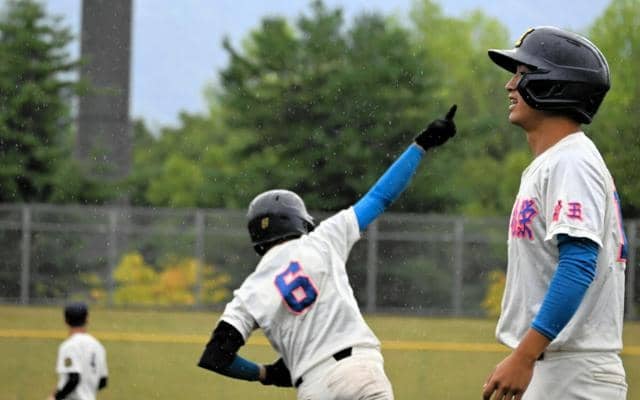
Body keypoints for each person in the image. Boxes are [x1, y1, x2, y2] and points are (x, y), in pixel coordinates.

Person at [197, 105, 458, 399]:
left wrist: (266, 373)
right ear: (298, 220)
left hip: (312, 387)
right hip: (357, 371)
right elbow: (380, 197)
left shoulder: (249, 292)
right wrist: (421, 145)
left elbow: (215, 357)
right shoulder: (322, 240)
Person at [482, 26, 628, 400]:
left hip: (572, 371)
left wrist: (524, 355)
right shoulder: (559, 161)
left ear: (554, 84)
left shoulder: (571, 162)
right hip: (560, 367)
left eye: (522, 74)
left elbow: (578, 263)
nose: (510, 85)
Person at [48, 302, 108, 400]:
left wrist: (56, 397)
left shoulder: (69, 346)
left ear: (66, 320)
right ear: (87, 319)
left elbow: (74, 379)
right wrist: (87, 388)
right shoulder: (98, 346)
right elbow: (103, 382)